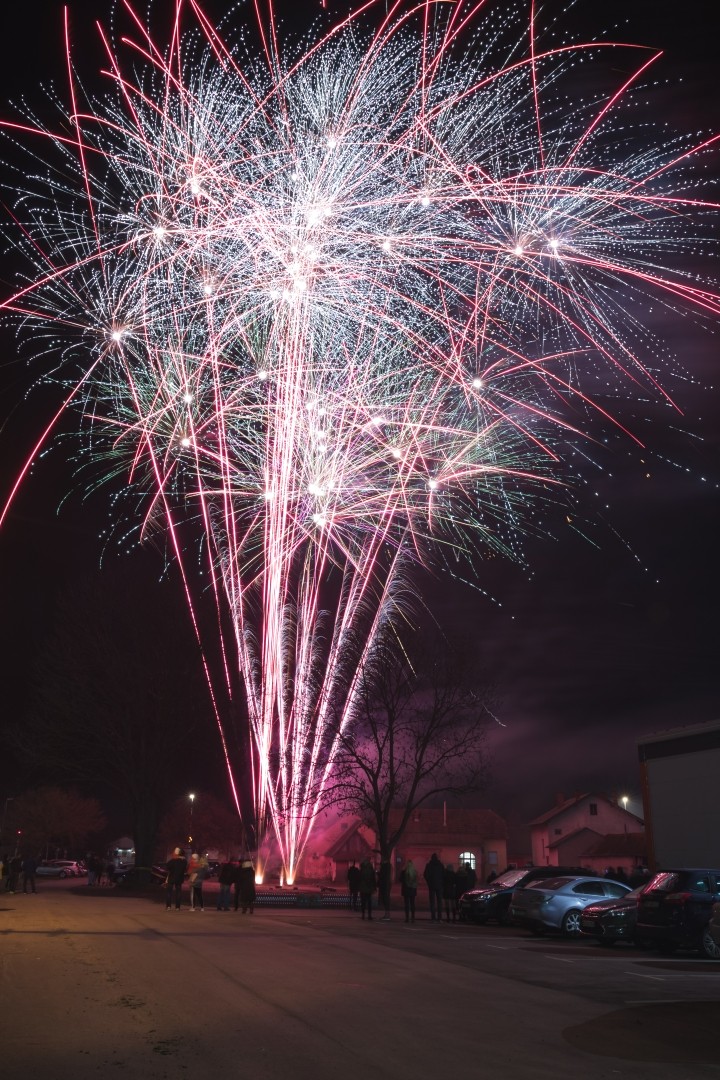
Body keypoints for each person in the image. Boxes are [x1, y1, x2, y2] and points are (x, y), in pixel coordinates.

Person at [400, 859, 418, 923]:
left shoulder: (404, 871)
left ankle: (407, 918)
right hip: (413, 889)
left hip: (406, 889)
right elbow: (416, 880)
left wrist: (402, 871)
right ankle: (413, 918)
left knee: (407, 904)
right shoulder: (414, 871)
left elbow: (400, 880)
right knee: (412, 904)